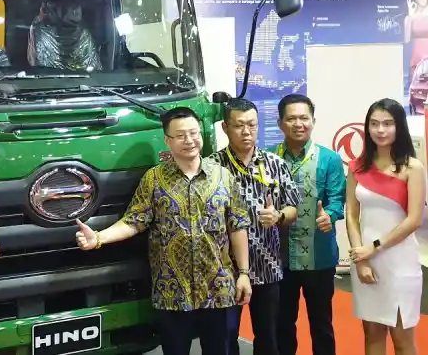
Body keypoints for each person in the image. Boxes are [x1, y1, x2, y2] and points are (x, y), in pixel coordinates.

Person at [75, 106, 252, 355]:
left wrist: (243, 273)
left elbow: (237, 226)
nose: (189, 140)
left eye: (193, 133)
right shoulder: (154, 179)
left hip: (218, 288)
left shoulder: (223, 177)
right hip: (172, 292)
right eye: (180, 135)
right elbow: (134, 221)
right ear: (168, 141)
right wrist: (98, 238)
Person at [210, 98, 301, 355]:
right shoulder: (212, 167)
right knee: (226, 337)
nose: (246, 131)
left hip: (267, 265)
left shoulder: (275, 164)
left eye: (252, 125)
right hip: (226, 269)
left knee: (268, 336)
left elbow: (293, 209)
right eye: (239, 125)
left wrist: (279, 216)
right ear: (225, 128)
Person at [346, 98, 425, 355]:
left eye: (388, 123)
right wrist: (360, 258)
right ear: (367, 127)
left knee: (403, 339)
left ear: (398, 126)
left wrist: (374, 248)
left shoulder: (413, 168)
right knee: (372, 335)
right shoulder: (357, 166)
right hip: (365, 261)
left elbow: (414, 220)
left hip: (399, 262)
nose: (380, 130)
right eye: (375, 123)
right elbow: (351, 214)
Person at [270, 94, 345, 355]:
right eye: (291, 118)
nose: (298, 124)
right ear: (280, 123)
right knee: (282, 324)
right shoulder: (267, 158)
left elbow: (337, 200)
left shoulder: (329, 159)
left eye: (304, 118)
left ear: (313, 121)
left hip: (319, 256)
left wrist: (330, 216)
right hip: (278, 258)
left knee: (321, 324)